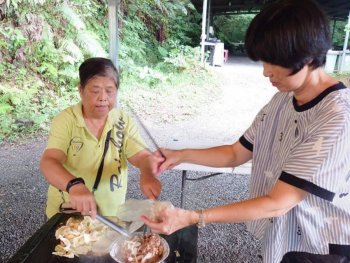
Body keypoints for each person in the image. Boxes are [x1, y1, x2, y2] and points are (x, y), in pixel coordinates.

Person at [142, 0, 350, 262]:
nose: (265, 72)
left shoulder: (337, 117)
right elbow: (235, 153)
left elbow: (278, 202)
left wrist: (194, 217)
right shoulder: (283, 99)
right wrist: (180, 154)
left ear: (306, 57)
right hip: (283, 236)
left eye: (273, 62)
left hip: (320, 245)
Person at [40, 57, 164, 219]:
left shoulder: (123, 121)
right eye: (95, 91)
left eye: (110, 91)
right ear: (81, 90)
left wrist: (147, 174)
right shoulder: (66, 120)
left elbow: (142, 156)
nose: (103, 97)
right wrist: (74, 186)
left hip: (111, 216)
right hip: (70, 213)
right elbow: (49, 161)